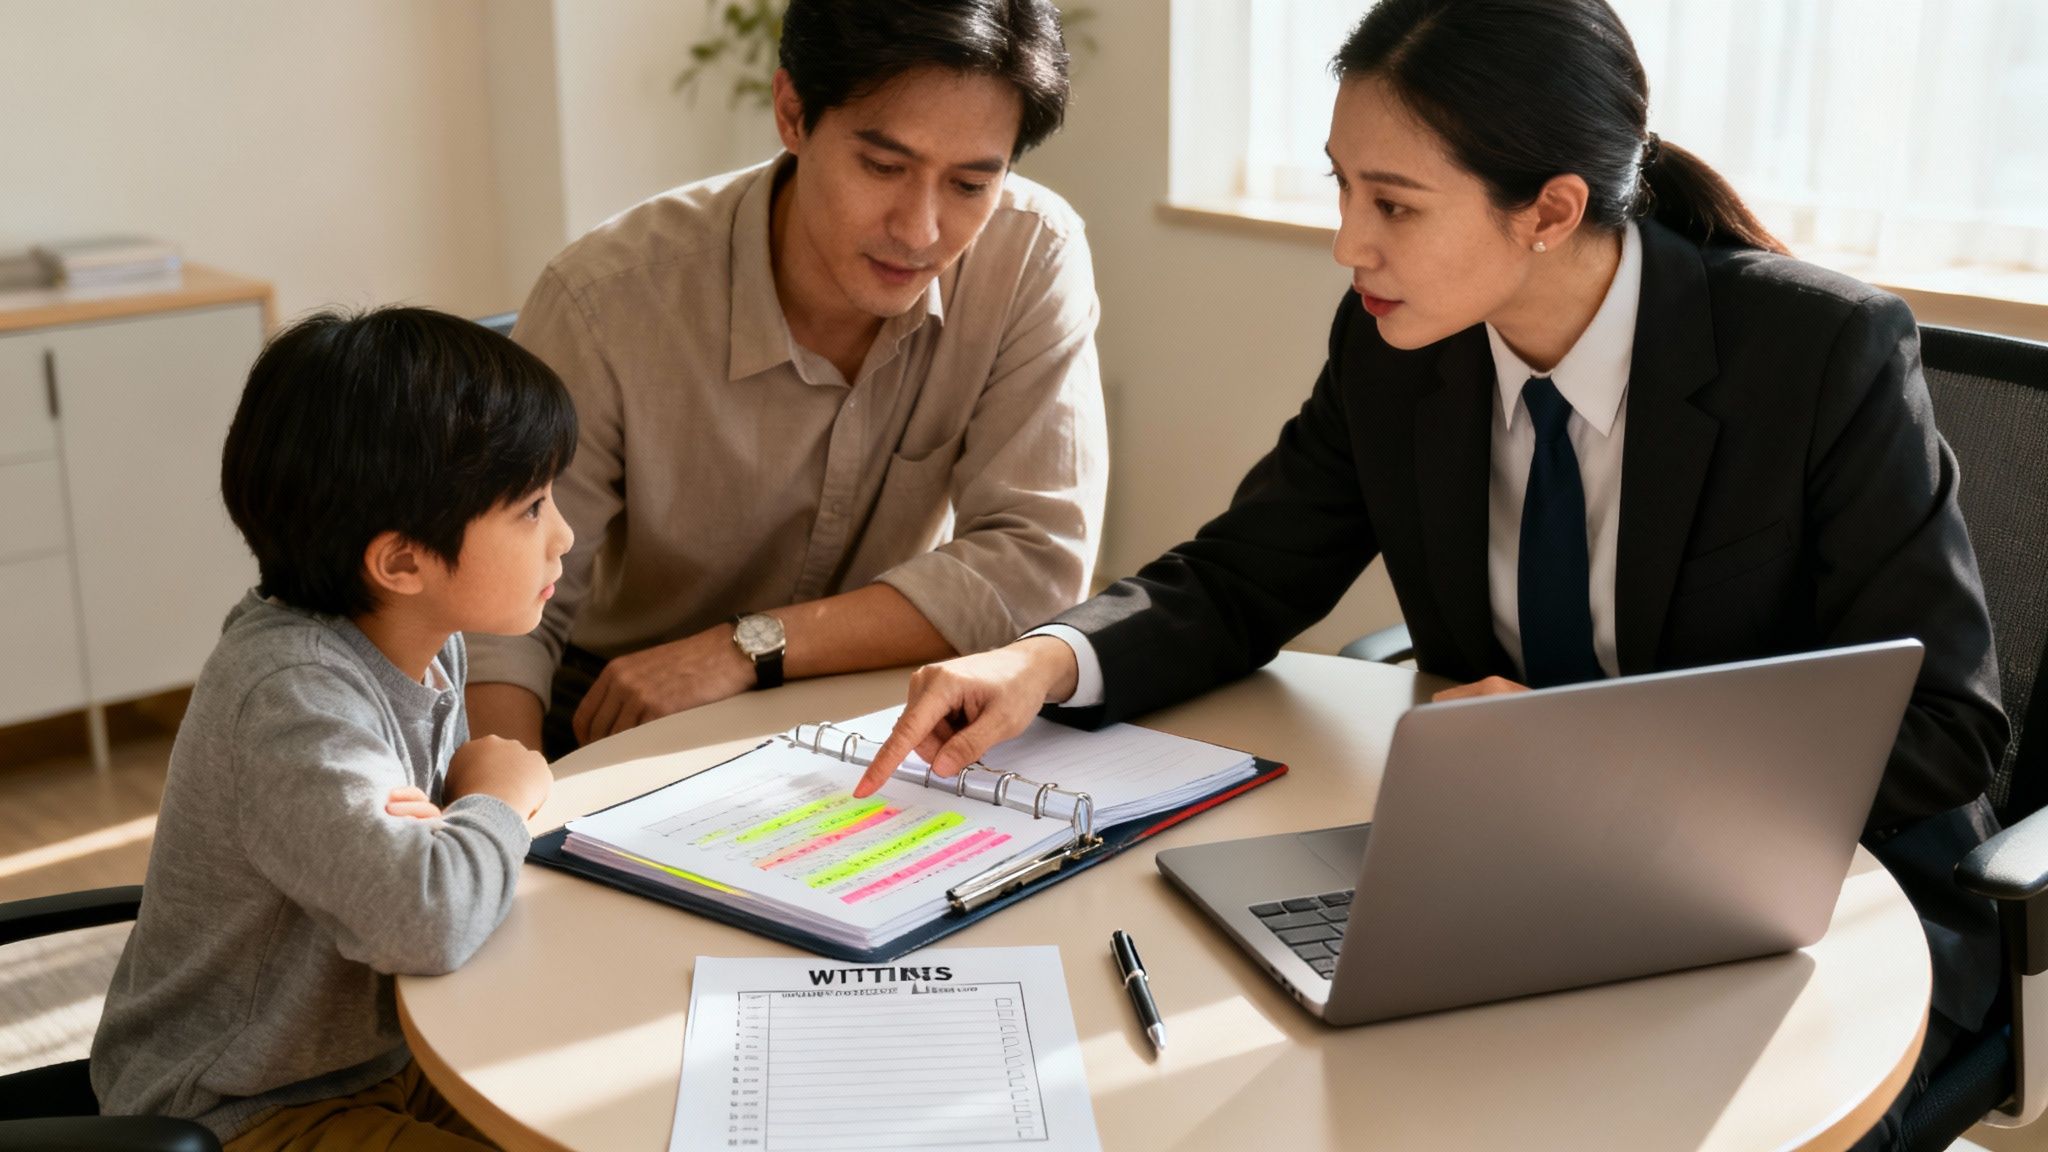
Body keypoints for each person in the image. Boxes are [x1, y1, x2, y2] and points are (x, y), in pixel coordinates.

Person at [857, 2, 2005, 1146]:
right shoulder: (1394, 347)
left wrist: (1584, 756)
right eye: (1341, 188)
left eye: (1393, 204)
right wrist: (1042, 658)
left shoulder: (1816, 355)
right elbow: (1241, 575)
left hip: (1812, 914)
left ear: (1549, 210)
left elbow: (1947, 729)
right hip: (1523, 884)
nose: (1348, 243)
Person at [464, 0, 1108, 760]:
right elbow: (493, 622)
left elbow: (1036, 567)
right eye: (883, 166)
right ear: (793, 112)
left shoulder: (1030, 256)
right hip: (624, 705)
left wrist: (748, 647)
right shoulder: (606, 301)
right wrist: (505, 816)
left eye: (970, 185)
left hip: (874, 701)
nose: (919, 229)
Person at [90, 307, 574, 1150]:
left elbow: (421, 889)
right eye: (531, 508)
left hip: (382, 1052)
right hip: (247, 1103)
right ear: (401, 562)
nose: (563, 536)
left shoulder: (426, 639)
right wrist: (497, 799)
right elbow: (426, 917)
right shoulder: (292, 699)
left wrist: (445, 844)